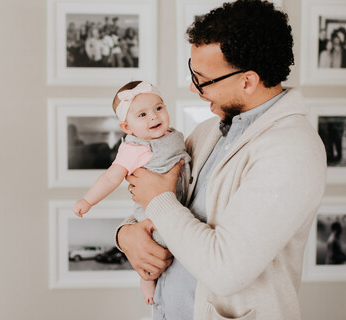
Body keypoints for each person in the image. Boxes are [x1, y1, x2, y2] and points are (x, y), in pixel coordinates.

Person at [117, 0, 327, 319]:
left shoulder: (292, 151)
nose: (193, 87)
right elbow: (163, 198)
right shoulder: (208, 131)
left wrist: (157, 199)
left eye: (203, 79)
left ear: (247, 81)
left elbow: (224, 270)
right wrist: (127, 235)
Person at [73, 80, 191, 305]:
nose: (154, 117)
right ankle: (146, 278)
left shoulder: (173, 135)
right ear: (127, 127)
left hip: (179, 203)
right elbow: (111, 177)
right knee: (158, 245)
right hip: (153, 215)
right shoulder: (134, 149)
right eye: (142, 115)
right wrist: (88, 200)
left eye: (158, 108)